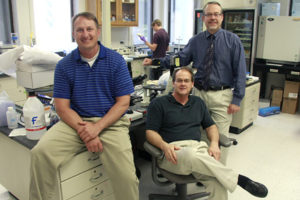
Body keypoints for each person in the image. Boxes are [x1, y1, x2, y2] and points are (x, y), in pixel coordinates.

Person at [29, 12, 139, 200]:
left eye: (89, 29)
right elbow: (62, 108)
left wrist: (96, 128)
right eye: (80, 30)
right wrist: (86, 132)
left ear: (97, 32)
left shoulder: (116, 61)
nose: (85, 34)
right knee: (40, 154)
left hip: (110, 123)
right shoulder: (64, 65)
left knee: (127, 177)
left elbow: (123, 103)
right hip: (75, 123)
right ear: (74, 34)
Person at [143, 1, 246, 164]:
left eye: (216, 14)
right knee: (200, 135)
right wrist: (158, 62)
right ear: (203, 18)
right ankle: (202, 171)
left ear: (221, 17)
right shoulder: (196, 40)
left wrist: (237, 99)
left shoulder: (233, 41)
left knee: (218, 137)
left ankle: (217, 173)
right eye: (209, 14)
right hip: (198, 94)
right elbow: (180, 60)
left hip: (222, 95)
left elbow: (240, 71)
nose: (213, 17)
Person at [146, 67, 268, 200]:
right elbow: (150, 132)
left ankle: (232, 178)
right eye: (179, 80)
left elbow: (211, 126)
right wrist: (164, 146)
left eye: (186, 81)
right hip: (172, 152)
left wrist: (214, 144)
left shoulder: (198, 103)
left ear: (192, 84)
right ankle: (239, 179)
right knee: (190, 154)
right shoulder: (159, 103)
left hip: (198, 149)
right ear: (173, 83)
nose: (183, 84)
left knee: (218, 182)